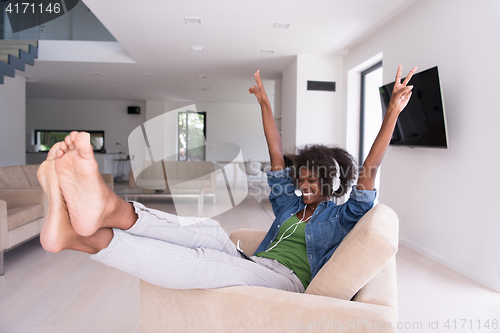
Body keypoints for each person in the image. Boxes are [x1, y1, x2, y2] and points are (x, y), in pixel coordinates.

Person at [37, 66, 416, 293]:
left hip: (285, 281)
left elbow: (370, 170)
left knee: (206, 263)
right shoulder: (290, 204)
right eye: (301, 181)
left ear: (330, 183)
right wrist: (265, 106)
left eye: (311, 184)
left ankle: (81, 237)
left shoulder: (342, 216)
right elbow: (275, 153)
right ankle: (107, 212)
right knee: (207, 232)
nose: (303, 188)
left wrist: (392, 113)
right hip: (253, 260)